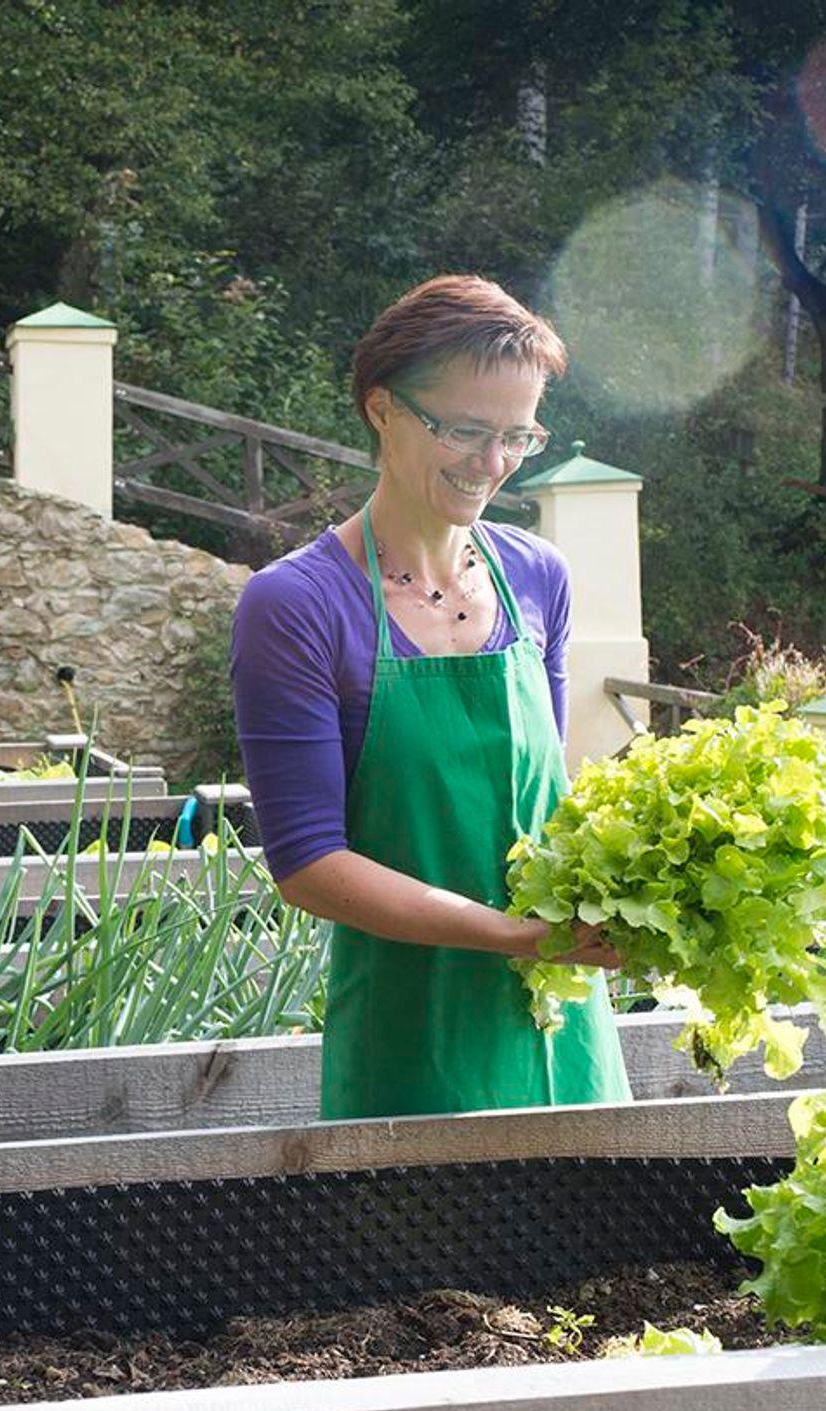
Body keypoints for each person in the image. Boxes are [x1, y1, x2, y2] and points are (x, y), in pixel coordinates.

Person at [230, 275, 631, 1119]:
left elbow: (549, 805)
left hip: (567, 1029)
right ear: (382, 408)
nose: (493, 464)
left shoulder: (538, 576)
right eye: (466, 431)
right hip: (412, 1038)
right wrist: (517, 937)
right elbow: (308, 865)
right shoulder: (297, 605)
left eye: (517, 437)